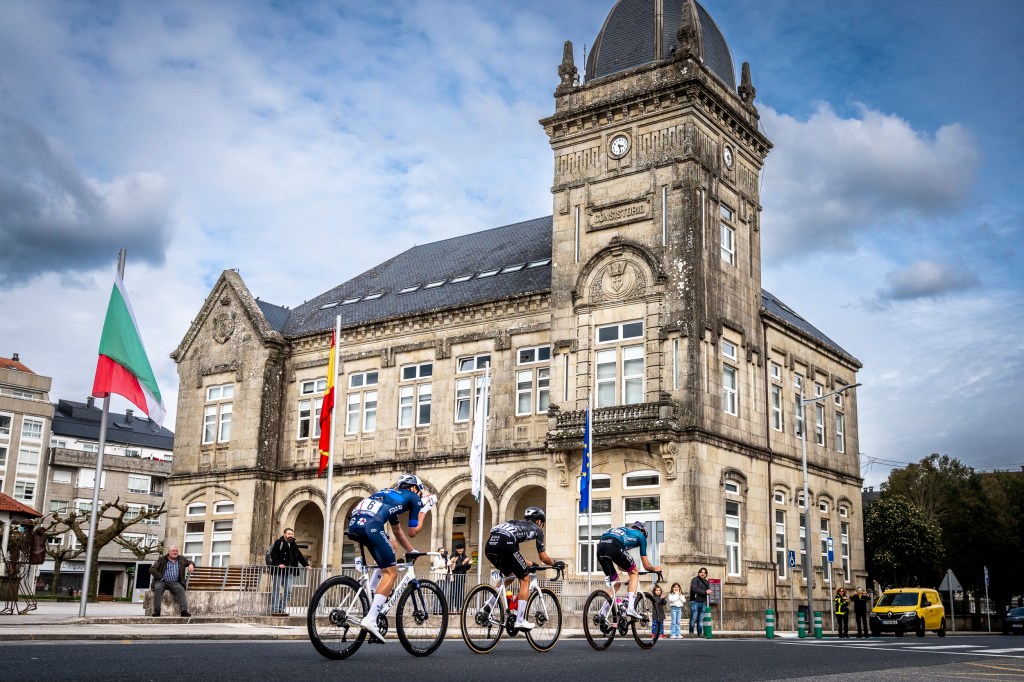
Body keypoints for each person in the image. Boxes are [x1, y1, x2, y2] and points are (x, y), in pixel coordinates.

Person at [346, 473, 435, 642]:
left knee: (392, 546)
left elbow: (397, 531)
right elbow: (412, 531)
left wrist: (411, 550)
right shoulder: (413, 498)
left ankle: (372, 592)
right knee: (392, 573)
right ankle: (371, 619)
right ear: (414, 488)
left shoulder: (388, 495)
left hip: (355, 524)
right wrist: (424, 509)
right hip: (372, 525)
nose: (420, 495)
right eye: (420, 491)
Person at [484, 507, 564, 631]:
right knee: (525, 579)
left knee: (510, 575)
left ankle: (486, 608)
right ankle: (520, 620)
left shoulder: (515, 525)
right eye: (542, 523)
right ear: (538, 521)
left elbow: (515, 556)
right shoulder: (537, 529)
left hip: (490, 546)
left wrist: (531, 564)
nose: (541, 526)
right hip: (506, 545)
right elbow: (543, 557)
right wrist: (555, 563)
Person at [596, 521, 662, 620]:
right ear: (643, 531)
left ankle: (603, 614)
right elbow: (646, 565)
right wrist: (654, 569)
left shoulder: (623, 530)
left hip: (601, 548)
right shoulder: (641, 535)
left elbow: (620, 565)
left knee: (616, 583)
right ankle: (630, 608)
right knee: (635, 572)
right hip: (615, 546)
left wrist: (629, 571)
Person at [268, 527, 310, 615]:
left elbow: (299, 555)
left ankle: (281, 608)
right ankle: (275, 610)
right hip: (278, 570)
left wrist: (306, 564)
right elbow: (273, 553)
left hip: (289, 571)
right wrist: (279, 563)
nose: (290, 535)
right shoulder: (279, 542)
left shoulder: (293, 544)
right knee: (276, 589)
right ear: (285, 534)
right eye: (289, 534)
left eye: (291, 534)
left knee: (288, 591)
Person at [149, 545, 194, 617]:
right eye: (173, 551)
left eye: (176, 551)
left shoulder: (181, 559)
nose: (175, 552)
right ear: (169, 552)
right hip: (162, 581)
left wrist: (191, 564)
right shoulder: (162, 559)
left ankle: (184, 611)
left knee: (181, 590)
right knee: (158, 589)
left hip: (175, 582)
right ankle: (157, 611)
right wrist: (160, 578)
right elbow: (152, 569)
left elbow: (190, 562)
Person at [448, 543, 473, 609]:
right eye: (459, 549)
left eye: (461, 549)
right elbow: (454, 567)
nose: (460, 550)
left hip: (462, 577)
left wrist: (469, 564)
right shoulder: (453, 556)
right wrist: (463, 563)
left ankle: (459, 607)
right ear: (456, 549)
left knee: (460, 593)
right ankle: (451, 608)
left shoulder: (465, 556)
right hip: (455, 577)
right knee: (453, 593)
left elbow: (466, 568)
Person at [689, 567, 710, 636]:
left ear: (706, 574)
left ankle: (700, 633)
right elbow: (695, 589)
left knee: (700, 619)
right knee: (693, 618)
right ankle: (691, 632)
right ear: (699, 573)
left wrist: (708, 592)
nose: (703, 574)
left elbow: (708, 590)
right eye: (701, 572)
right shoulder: (695, 579)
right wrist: (705, 592)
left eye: (704, 573)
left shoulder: (706, 582)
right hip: (694, 602)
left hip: (703, 602)